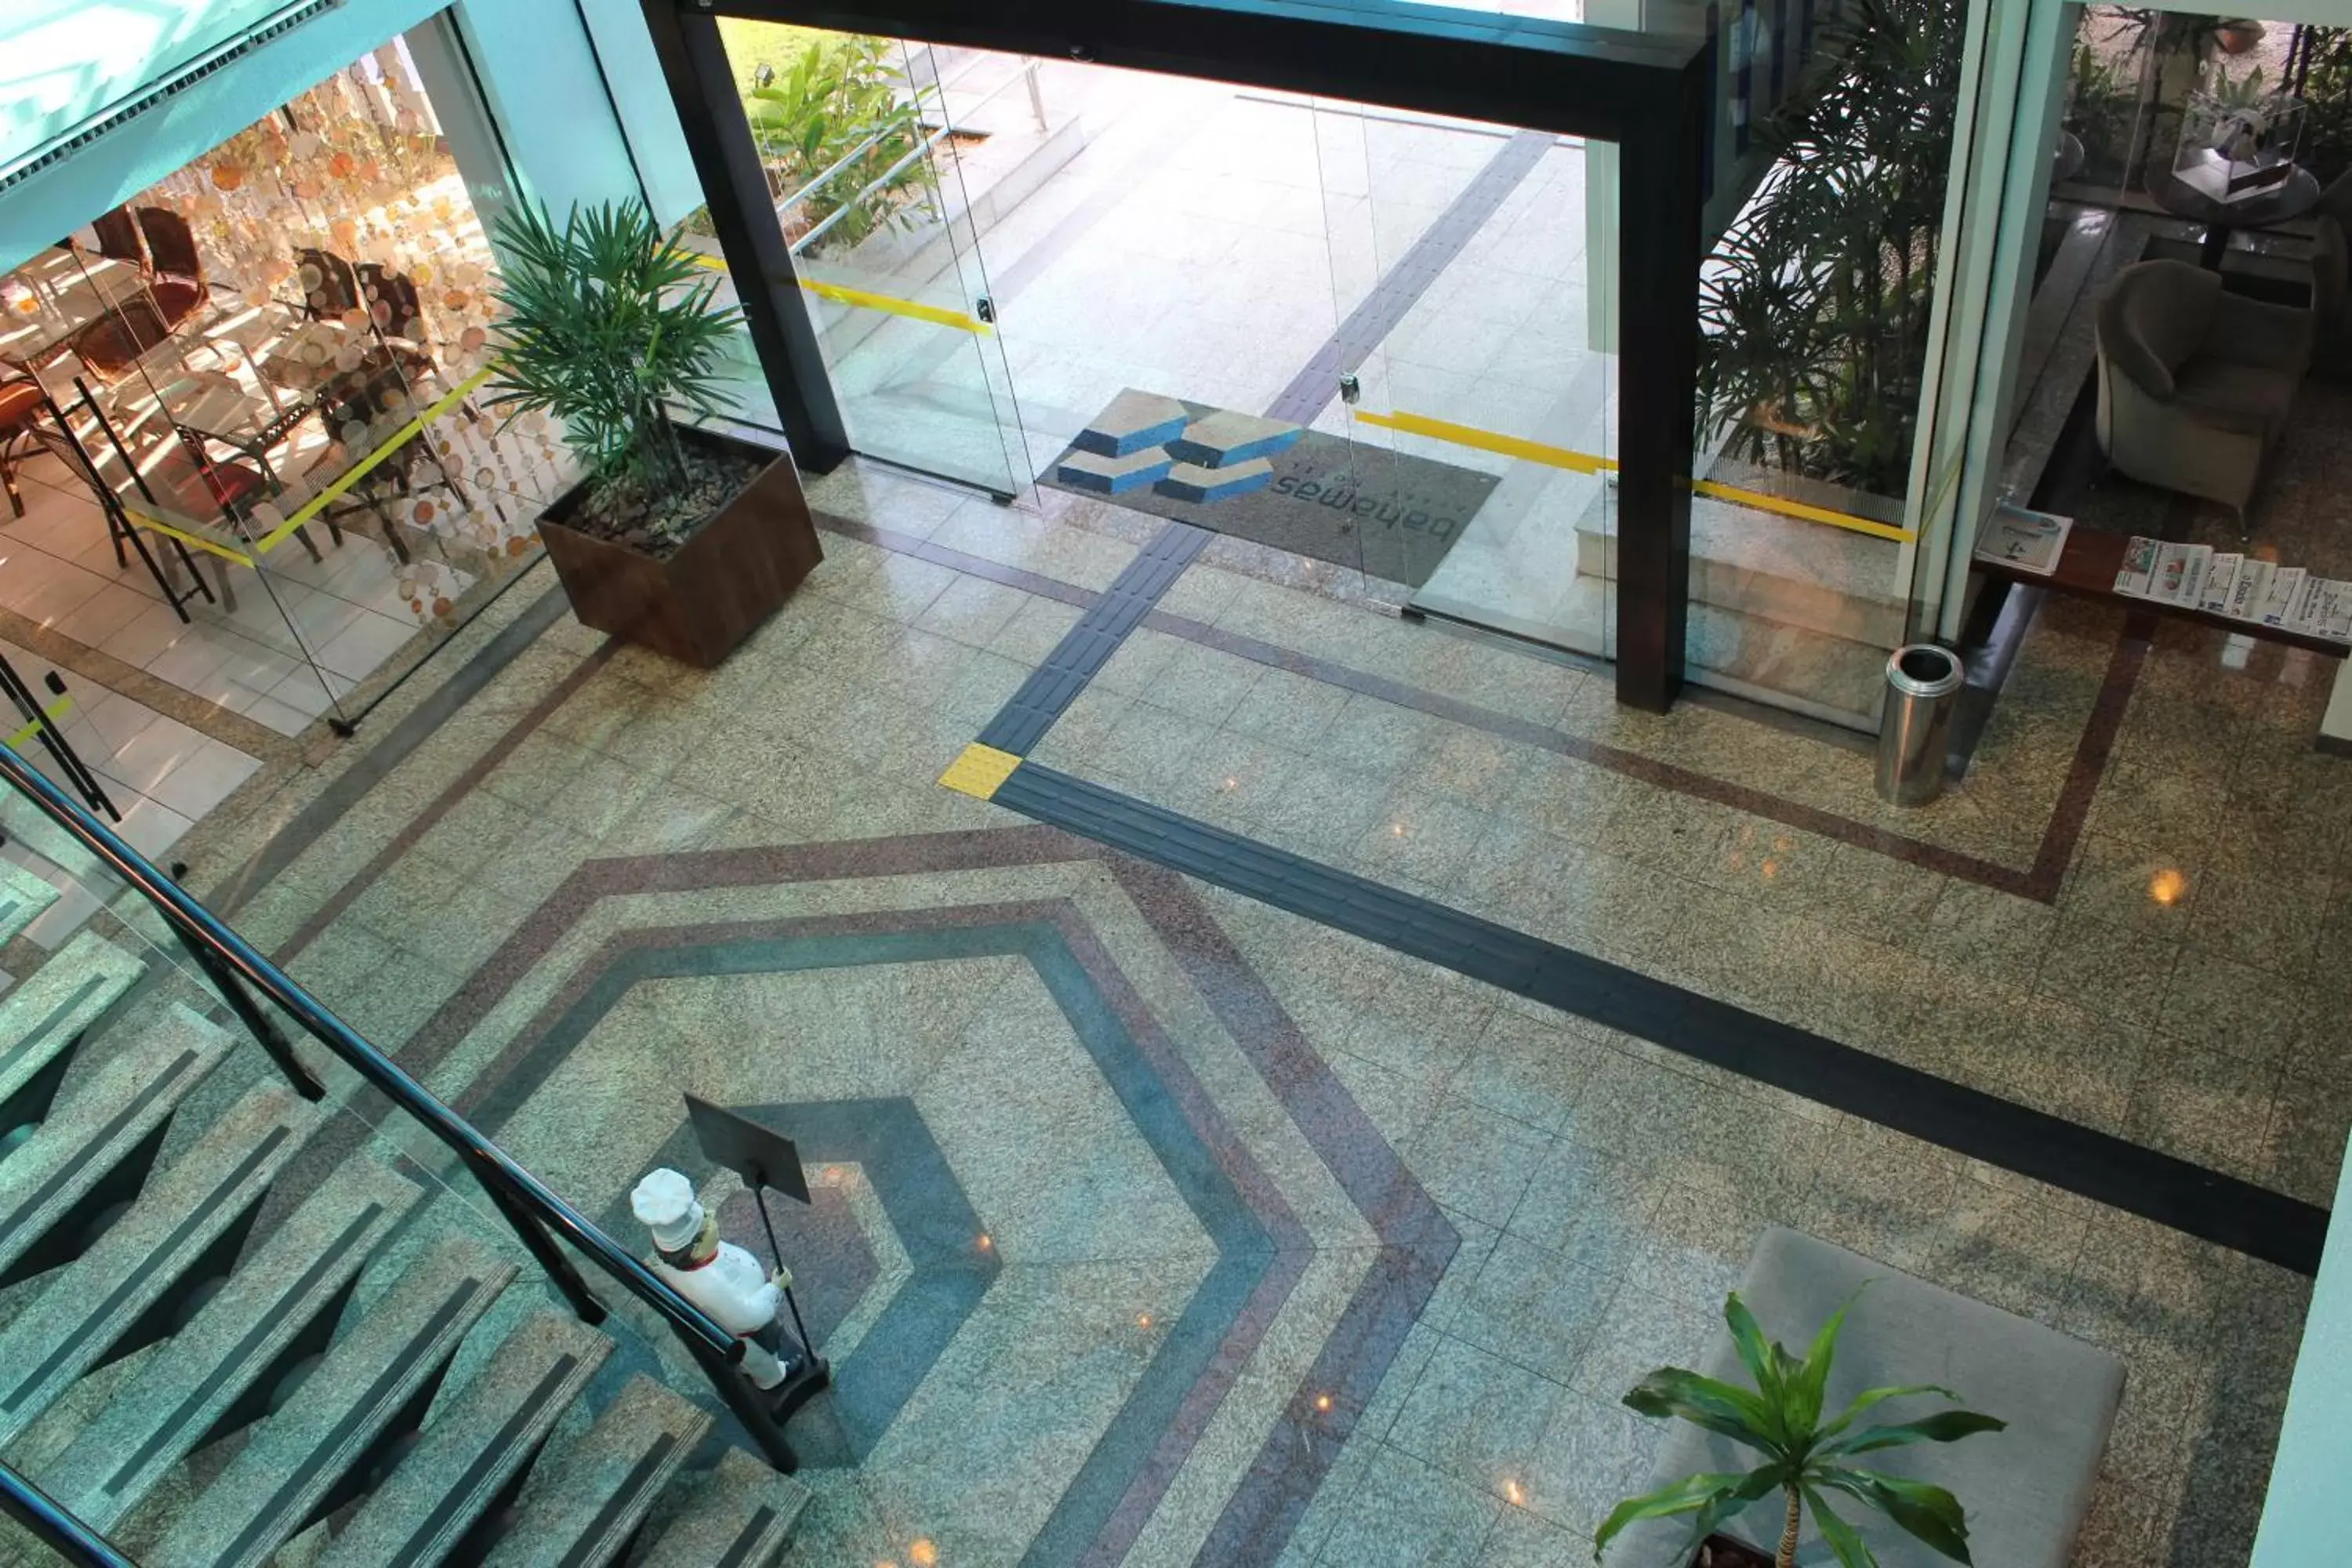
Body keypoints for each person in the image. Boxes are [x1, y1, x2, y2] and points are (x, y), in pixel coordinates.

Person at [630, 1167, 799, 1393]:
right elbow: (748, 1317)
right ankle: (774, 1379)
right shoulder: (707, 1284)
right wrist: (775, 1288)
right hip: (750, 1340)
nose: (711, 1214)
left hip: (739, 1317)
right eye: (707, 1222)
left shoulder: (673, 1262)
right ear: (696, 1247)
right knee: (764, 1363)